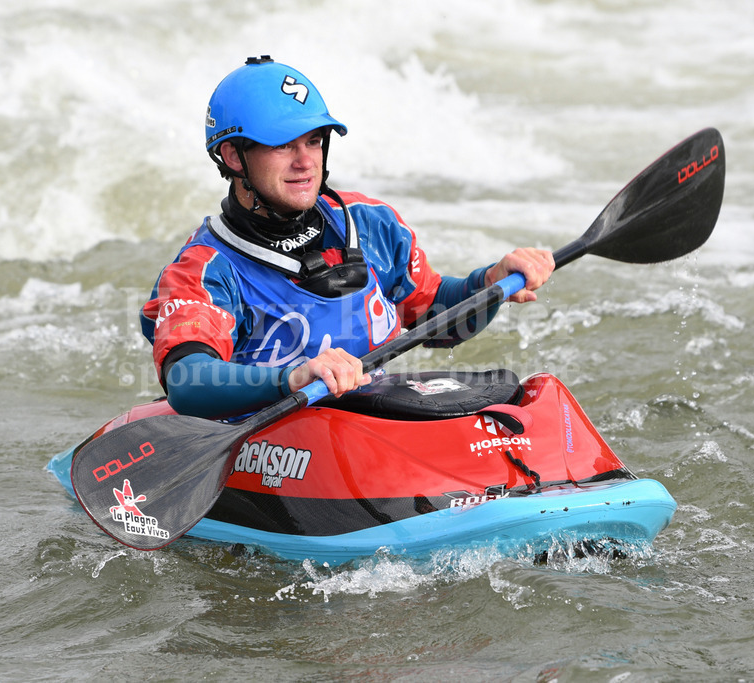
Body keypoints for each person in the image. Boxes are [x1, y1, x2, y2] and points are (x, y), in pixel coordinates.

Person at [140, 56, 554, 419]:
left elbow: (435, 317)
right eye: (283, 146)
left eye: (314, 141)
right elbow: (187, 381)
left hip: (363, 427)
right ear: (234, 157)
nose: (306, 161)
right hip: (267, 443)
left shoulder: (368, 224)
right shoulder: (205, 268)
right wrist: (293, 379)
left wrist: (489, 283)